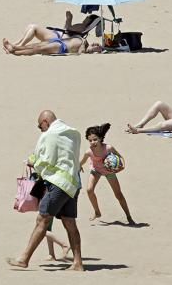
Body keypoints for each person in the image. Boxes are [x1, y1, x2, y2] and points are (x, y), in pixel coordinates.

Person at [8, 111, 84, 271]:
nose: (41, 129)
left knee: (42, 219)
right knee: (69, 222)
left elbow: (45, 160)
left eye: (40, 126)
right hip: (73, 183)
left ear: (44, 121)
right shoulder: (73, 134)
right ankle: (78, 262)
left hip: (58, 183)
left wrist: (32, 163)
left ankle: (24, 258)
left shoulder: (49, 135)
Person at [81, 123, 135, 225]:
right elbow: (82, 161)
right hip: (96, 171)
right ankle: (97, 212)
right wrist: (79, 166)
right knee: (89, 190)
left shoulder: (108, 148)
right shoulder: (89, 151)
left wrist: (122, 167)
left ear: (101, 138)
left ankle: (128, 215)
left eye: (95, 139)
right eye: (90, 140)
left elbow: (120, 157)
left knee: (118, 194)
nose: (93, 142)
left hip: (109, 171)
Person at [2, 25, 103, 56]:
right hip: (59, 41)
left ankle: (15, 49)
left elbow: (79, 53)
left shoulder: (85, 51)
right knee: (36, 45)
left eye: (96, 45)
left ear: (97, 50)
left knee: (38, 49)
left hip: (61, 47)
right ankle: (13, 49)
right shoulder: (84, 41)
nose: (95, 43)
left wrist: (86, 47)